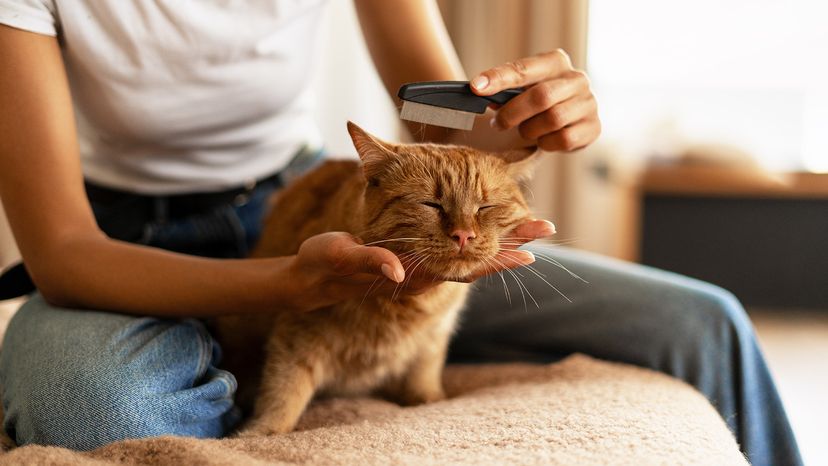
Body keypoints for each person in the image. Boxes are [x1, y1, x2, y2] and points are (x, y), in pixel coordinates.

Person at [0, 1, 801, 465]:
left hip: (317, 200)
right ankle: (218, 346)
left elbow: (448, 125)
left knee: (705, 320)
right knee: (98, 412)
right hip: (123, 238)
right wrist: (288, 287)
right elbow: (64, 254)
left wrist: (534, 122)